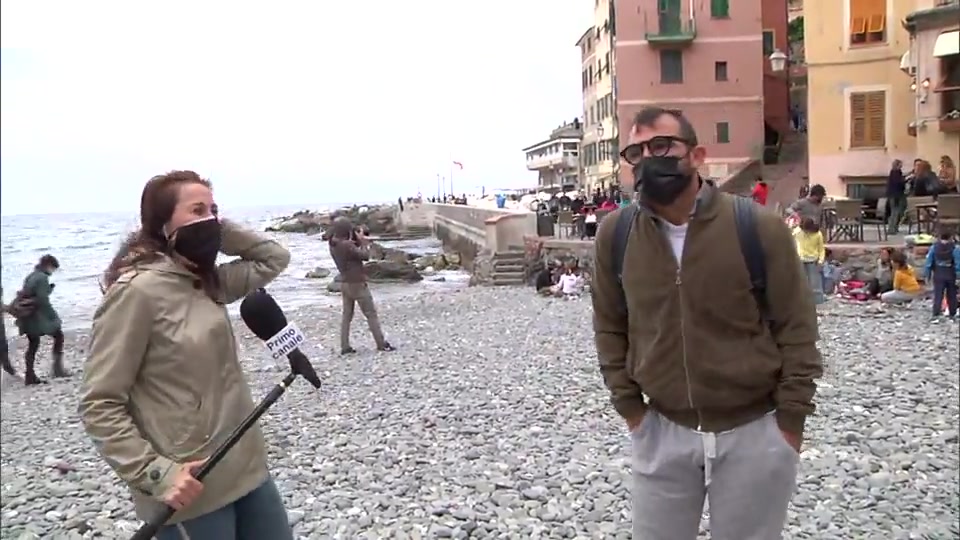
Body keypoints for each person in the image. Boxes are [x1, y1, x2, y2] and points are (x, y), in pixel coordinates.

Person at [599, 107, 822, 540]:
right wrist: (631, 410)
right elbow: (610, 325)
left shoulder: (756, 227)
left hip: (754, 431)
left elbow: (798, 327)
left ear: (697, 155)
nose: (648, 159)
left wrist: (790, 423)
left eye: (662, 146)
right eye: (636, 152)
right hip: (661, 429)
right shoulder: (617, 234)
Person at [78, 170, 294, 539]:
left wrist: (216, 228)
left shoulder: (207, 280)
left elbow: (274, 257)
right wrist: (155, 473)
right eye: (196, 211)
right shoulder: (136, 293)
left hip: (245, 465)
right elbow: (99, 402)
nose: (208, 219)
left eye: (214, 210)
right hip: (190, 485)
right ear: (163, 225)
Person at [328, 217, 395, 354]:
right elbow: (365, 256)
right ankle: (381, 343)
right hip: (357, 283)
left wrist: (356, 241)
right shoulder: (347, 245)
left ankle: (344, 346)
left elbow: (351, 252)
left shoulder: (333, 244)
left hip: (345, 282)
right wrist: (364, 243)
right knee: (371, 314)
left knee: (347, 316)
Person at [13, 254, 67, 384]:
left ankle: (29, 375)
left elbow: (29, 293)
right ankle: (57, 369)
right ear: (48, 265)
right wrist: (53, 318)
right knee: (58, 335)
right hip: (38, 316)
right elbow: (42, 300)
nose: (52, 272)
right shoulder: (42, 278)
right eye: (53, 269)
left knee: (33, 344)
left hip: (28, 316)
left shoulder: (31, 275)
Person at [924, 227, 959, 320]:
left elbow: (928, 262)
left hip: (938, 273)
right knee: (952, 294)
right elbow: (957, 263)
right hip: (950, 274)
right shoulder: (955, 248)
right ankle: (952, 312)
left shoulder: (934, 248)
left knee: (938, 293)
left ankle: (936, 312)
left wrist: (927, 275)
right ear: (951, 237)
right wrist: (958, 276)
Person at [793, 217, 826, 304]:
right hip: (800, 259)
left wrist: (820, 261)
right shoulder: (797, 232)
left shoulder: (818, 234)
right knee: (799, 282)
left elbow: (821, 249)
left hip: (813, 260)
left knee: (815, 282)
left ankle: (818, 301)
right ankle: (801, 301)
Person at [886, 159, 907, 234]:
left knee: (895, 212)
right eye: (900, 164)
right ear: (898, 165)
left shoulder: (893, 172)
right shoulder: (896, 173)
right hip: (897, 195)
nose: (902, 166)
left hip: (892, 195)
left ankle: (893, 228)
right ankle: (892, 229)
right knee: (895, 212)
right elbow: (899, 183)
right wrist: (905, 180)